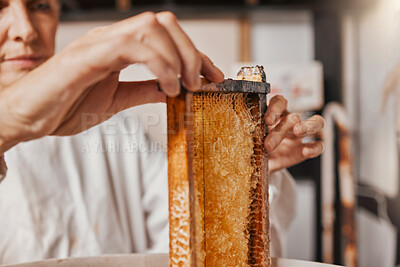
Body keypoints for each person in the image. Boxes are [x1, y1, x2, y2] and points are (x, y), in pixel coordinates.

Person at [0, 0, 325, 264]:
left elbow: (185, 245)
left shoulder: (114, 129)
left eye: (39, 5)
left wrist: (242, 170)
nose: (26, 31)